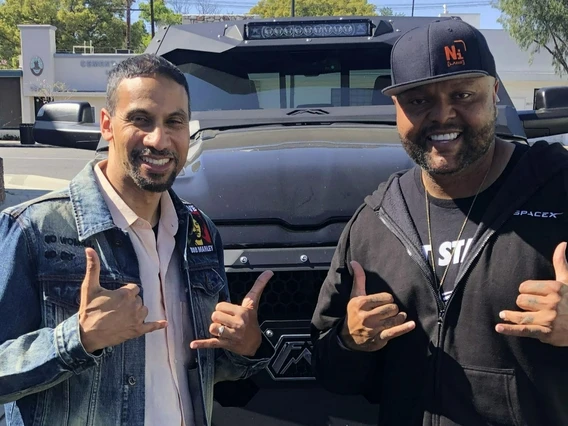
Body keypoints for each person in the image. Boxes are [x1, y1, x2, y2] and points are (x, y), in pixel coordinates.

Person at [311, 18, 568, 426]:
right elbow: (332, 373)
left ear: (495, 93)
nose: (443, 115)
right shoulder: (375, 221)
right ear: (396, 109)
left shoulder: (557, 188)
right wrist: (350, 342)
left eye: (463, 94)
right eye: (418, 101)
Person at [0, 53, 273, 426]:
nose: (159, 140)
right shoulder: (33, 229)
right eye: (141, 120)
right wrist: (77, 338)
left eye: (174, 122)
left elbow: (192, 365)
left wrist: (246, 347)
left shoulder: (199, 231)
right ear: (107, 125)